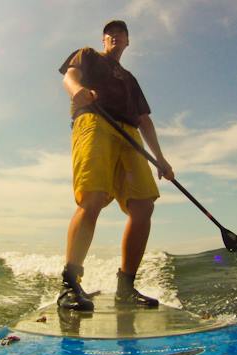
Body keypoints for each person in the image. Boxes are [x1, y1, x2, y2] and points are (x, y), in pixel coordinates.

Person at [57, 20, 175, 311]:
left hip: (130, 135)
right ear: (104, 39)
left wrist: (160, 157)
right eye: (110, 33)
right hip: (94, 121)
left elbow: (145, 119)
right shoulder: (87, 55)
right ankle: (70, 285)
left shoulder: (131, 79)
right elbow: (70, 77)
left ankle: (126, 287)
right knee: (93, 198)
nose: (115, 35)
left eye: (120, 33)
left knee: (144, 205)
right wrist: (77, 91)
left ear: (127, 42)